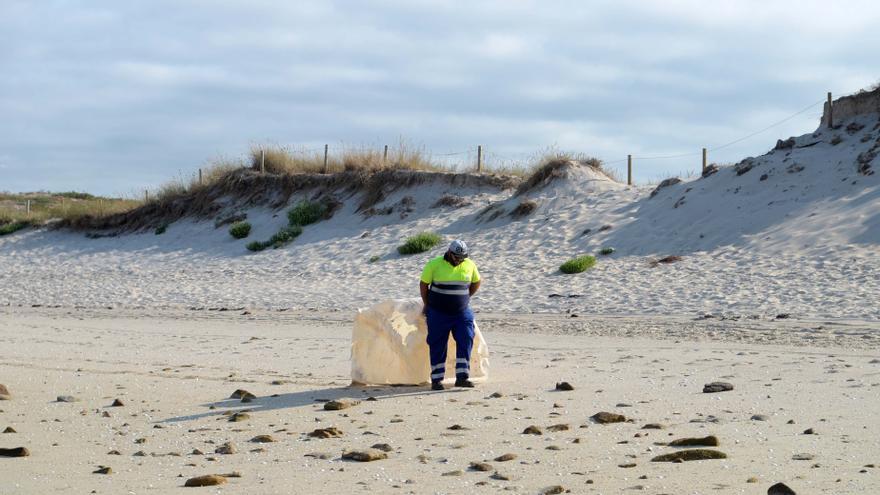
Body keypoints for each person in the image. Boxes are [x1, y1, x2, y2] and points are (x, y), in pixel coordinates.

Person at [419, 239, 481, 390]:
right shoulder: (434, 264)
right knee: (437, 345)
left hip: (462, 313)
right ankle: (437, 380)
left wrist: (464, 298)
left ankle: (462, 377)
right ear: (449, 252)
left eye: (462, 257)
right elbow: (423, 284)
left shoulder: (470, 264)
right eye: (457, 257)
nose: (459, 260)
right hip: (438, 313)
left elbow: (476, 282)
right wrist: (427, 304)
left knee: (466, 340)